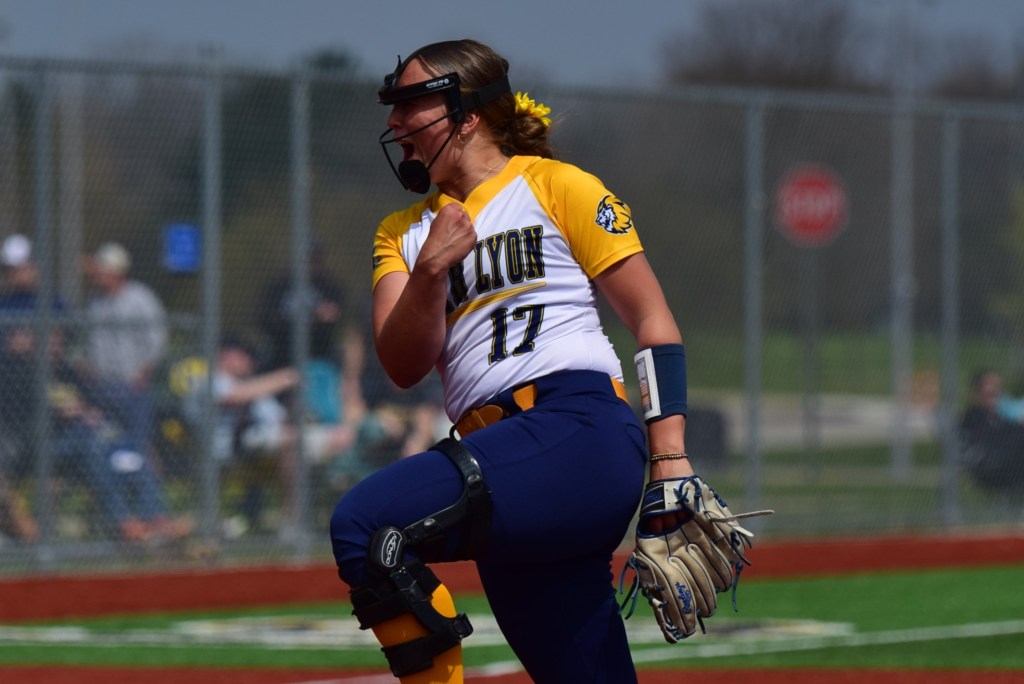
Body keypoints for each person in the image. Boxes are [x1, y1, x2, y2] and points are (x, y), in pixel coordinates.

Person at [329, 39, 731, 683]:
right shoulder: (402, 233)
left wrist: (672, 458)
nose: (395, 124)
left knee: (366, 523)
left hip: (579, 431)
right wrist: (431, 269)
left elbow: (653, 322)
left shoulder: (556, 185)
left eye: (412, 105)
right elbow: (402, 364)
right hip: (502, 468)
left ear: (467, 115)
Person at [0, 320, 190, 544]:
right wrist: (59, 413)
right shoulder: (20, 370)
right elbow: (21, 418)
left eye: (58, 338)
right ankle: (123, 523)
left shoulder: (68, 371)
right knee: (91, 443)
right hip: (40, 446)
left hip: (84, 439)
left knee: (131, 448)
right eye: (49, 338)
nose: (56, 343)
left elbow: (93, 401)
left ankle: (156, 519)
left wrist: (88, 412)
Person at [81, 242, 168, 461]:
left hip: (133, 388)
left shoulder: (139, 298)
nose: (96, 274)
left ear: (115, 271)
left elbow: (157, 340)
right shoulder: (96, 302)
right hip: (102, 388)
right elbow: (87, 343)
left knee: (140, 445)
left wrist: (145, 372)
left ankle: (148, 491)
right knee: (109, 443)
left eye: (101, 268)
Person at [960, 369, 1024, 497]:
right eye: (989, 387)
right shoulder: (973, 417)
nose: (995, 391)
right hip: (987, 467)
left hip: (1008, 465)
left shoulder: (998, 418)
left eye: (997, 388)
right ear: (977, 391)